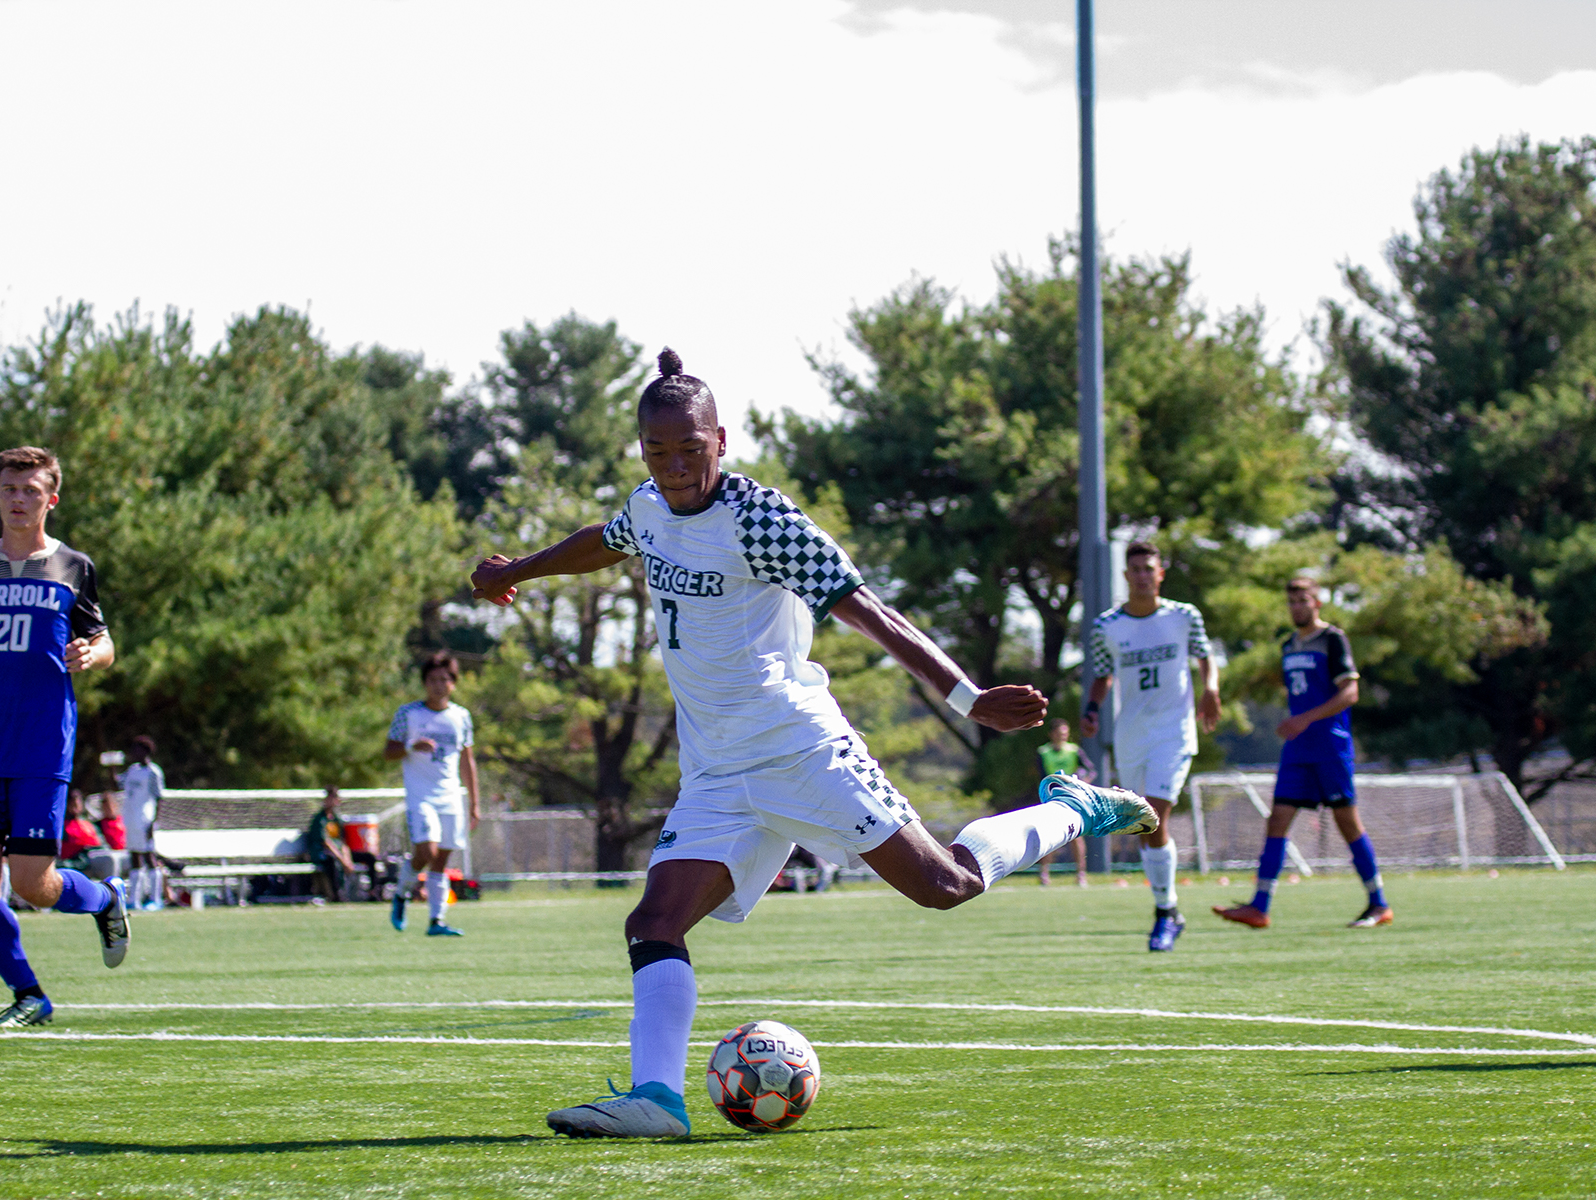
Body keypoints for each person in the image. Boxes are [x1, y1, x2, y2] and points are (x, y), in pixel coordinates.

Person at [471, 349, 1157, 1139]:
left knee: (945, 885)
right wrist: (519, 569)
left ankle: (1075, 809)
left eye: (690, 449)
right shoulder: (650, 506)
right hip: (717, 771)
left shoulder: (764, 522)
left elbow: (872, 613)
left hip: (801, 750)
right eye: (658, 452)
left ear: (720, 440)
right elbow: (611, 537)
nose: (675, 467)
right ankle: (657, 1101)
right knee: (653, 923)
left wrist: (969, 699)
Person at [0, 446, 129, 1028]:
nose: (19, 499)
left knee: (35, 885)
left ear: (51, 499)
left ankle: (106, 898)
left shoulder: (73, 566)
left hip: (40, 742)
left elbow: (105, 642)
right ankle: (28, 995)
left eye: (31, 490)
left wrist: (93, 655)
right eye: (10, 489)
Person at [1215, 575, 1391, 930]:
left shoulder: (1332, 639)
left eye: (1303, 601)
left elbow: (1350, 693)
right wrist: (1297, 722)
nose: (1296, 607)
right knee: (1277, 819)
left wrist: (1305, 719)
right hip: (1298, 750)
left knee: (1347, 822)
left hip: (1329, 746)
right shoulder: (1288, 646)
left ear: (1317, 603)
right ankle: (1259, 906)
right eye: (1292, 602)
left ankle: (1378, 904)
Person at [1082, 542, 1220, 951]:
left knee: (1155, 815)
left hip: (1173, 731)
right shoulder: (1106, 626)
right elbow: (1103, 674)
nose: (1143, 575)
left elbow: (1205, 656)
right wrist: (1091, 708)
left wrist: (1211, 688)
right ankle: (1168, 908)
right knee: (1140, 825)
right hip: (1131, 734)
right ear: (1126, 576)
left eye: (1149, 568)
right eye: (1136, 569)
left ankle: (1165, 912)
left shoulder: (1183, 616)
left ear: (1160, 574)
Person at [383, 651, 480, 936]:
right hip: (421, 796)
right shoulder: (409, 713)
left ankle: (437, 921)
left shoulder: (461, 716)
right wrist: (411, 746)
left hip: (450, 795)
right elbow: (388, 751)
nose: (439, 685)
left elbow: (467, 760)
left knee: (441, 860)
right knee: (427, 851)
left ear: (453, 683)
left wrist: (474, 802)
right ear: (425, 683)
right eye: (433, 680)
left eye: (444, 679)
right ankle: (401, 892)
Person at [1034, 718, 1094, 887]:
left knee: (1076, 836)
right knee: (1049, 836)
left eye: (1065, 733)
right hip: (1051, 798)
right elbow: (1040, 775)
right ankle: (1044, 874)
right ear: (1051, 734)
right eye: (1059, 733)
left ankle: (1081, 874)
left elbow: (1090, 770)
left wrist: (1082, 782)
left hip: (1072, 799)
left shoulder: (1074, 751)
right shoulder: (1043, 752)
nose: (1063, 736)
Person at [116, 735, 166, 910]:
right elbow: (118, 784)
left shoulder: (153, 772)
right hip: (131, 818)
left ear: (145, 751)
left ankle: (155, 898)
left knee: (149, 857)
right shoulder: (132, 770)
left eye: (136, 749)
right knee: (134, 857)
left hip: (145, 819)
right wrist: (112, 767)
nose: (132, 753)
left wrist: (153, 823)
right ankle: (134, 900)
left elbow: (159, 798)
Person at [305, 786, 355, 901]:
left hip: (338, 853)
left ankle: (373, 893)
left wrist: (347, 859)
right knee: (332, 861)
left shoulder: (337, 818)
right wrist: (342, 860)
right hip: (322, 853)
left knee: (369, 857)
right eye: (331, 798)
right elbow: (326, 843)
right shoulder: (319, 819)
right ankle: (336, 894)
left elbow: (343, 842)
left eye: (335, 798)